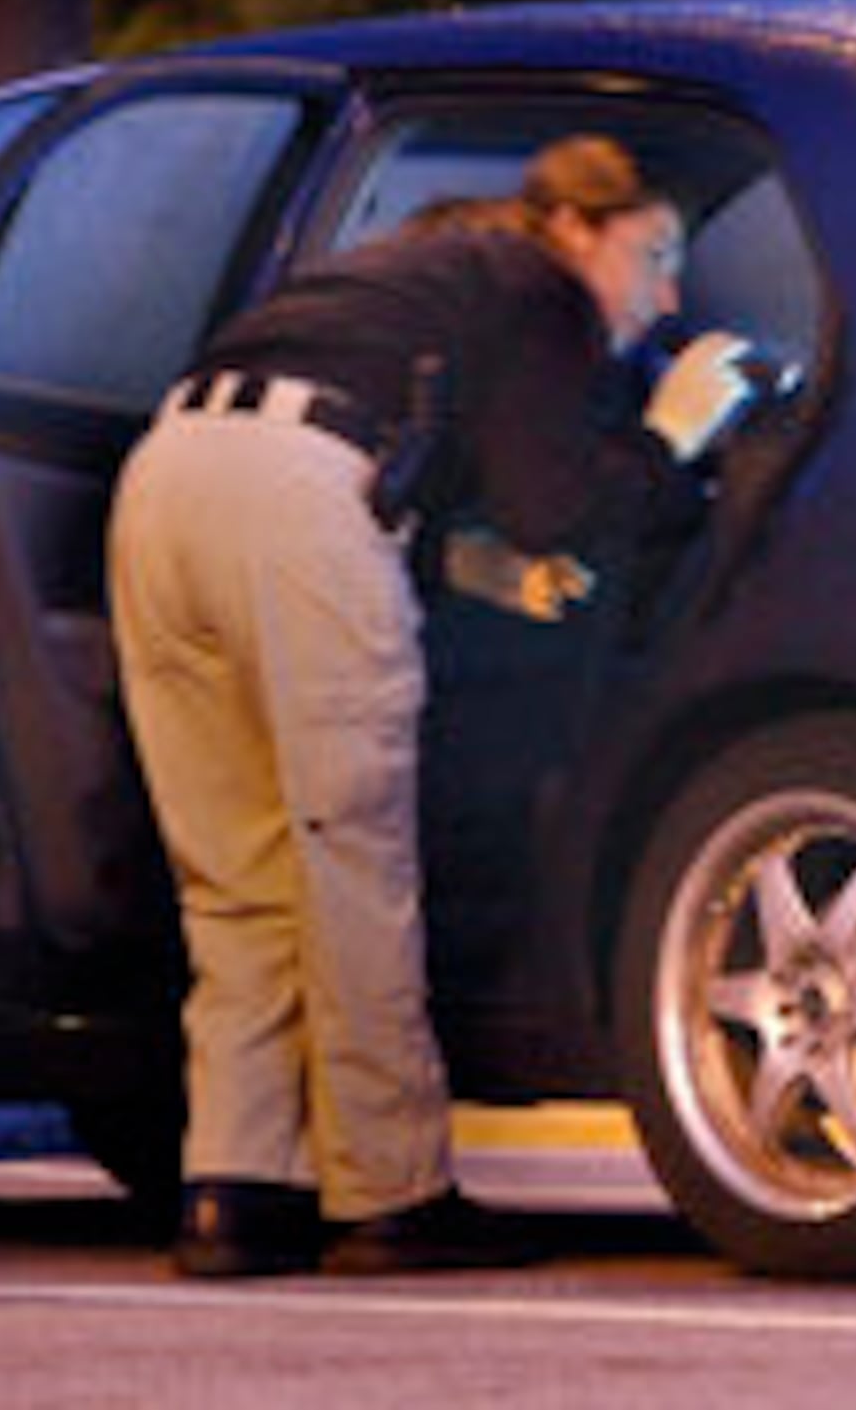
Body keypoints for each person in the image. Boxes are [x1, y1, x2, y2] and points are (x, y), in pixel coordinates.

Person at [110, 135, 755, 1279]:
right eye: (654, 255)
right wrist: (674, 434)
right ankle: (392, 1194)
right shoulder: (540, 291)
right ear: (573, 229)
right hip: (300, 496)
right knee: (349, 856)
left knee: (237, 873)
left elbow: (441, 480)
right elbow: (553, 504)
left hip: (167, 481)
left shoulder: (428, 269)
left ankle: (236, 1188)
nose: (664, 295)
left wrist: (480, 564)